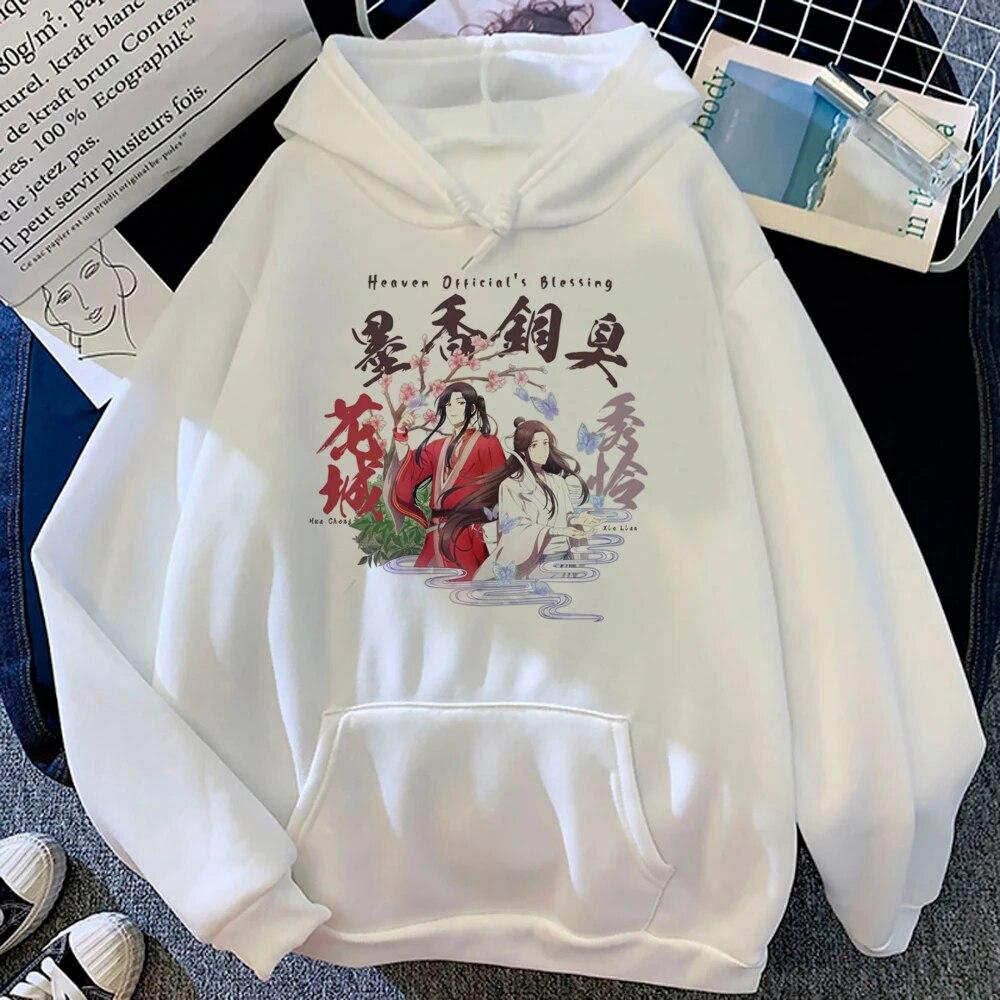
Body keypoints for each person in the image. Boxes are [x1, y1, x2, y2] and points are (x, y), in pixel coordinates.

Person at [439, 417, 602, 581]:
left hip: (563, 560)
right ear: (523, 451)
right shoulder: (511, 485)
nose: (543, 450)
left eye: (545, 443)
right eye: (534, 445)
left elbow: (565, 516)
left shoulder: (558, 482)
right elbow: (517, 528)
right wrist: (558, 531)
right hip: (533, 565)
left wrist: (577, 520)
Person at [387, 381, 505, 579]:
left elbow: (500, 489)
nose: (453, 409)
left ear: (472, 408)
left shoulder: (488, 444)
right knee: (421, 584)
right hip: (435, 533)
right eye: (448, 404)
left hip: (468, 533)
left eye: (460, 403)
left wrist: (489, 527)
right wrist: (401, 434)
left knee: (466, 586)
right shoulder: (437, 446)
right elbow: (411, 469)